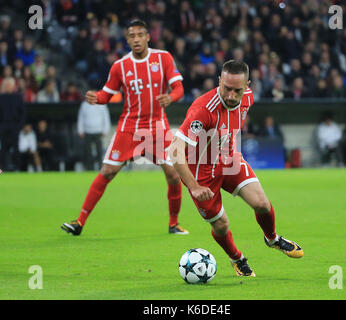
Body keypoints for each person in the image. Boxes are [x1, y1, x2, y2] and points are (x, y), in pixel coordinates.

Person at [169, 60, 303, 278]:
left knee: (262, 203)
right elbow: (174, 151)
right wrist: (193, 186)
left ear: (247, 85)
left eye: (237, 90)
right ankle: (237, 258)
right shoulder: (203, 109)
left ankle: (273, 239)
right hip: (201, 174)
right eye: (227, 89)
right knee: (221, 225)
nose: (231, 96)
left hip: (229, 160)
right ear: (219, 81)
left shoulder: (247, 97)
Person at [61, 20, 187, 236]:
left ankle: (173, 224)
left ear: (148, 37)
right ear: (127, 40)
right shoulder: (120, 66)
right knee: (108, 172)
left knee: (174, 175)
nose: (136, 39)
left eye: (140, 34)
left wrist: (171, 97)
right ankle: (79, 222)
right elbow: (106, 94)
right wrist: (96, 98)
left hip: (157, 127)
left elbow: (179, 88)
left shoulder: (163, 57)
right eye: (131, 35)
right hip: (129, 127)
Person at [0, 77, 26, 171]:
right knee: (3, 147)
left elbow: (22, 112)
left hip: (15, 125)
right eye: (5, 85)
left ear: (13, 86)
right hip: (3, 125)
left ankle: (17, 166)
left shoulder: (18, 97)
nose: (7, 87)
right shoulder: (1, 97)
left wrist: (21, 125)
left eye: (9, 85)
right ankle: (3, 166)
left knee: (16, 146)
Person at [77, 99, 111, 170]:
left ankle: (101, 169)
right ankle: (90, 169)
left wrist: (105, 130)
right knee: (88, 152)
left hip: (98, 131)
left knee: (100, 152)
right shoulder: (84, 105)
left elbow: (106, 117)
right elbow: (81, 118)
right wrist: (80, 130)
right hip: (87, 131)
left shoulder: (102, 104)